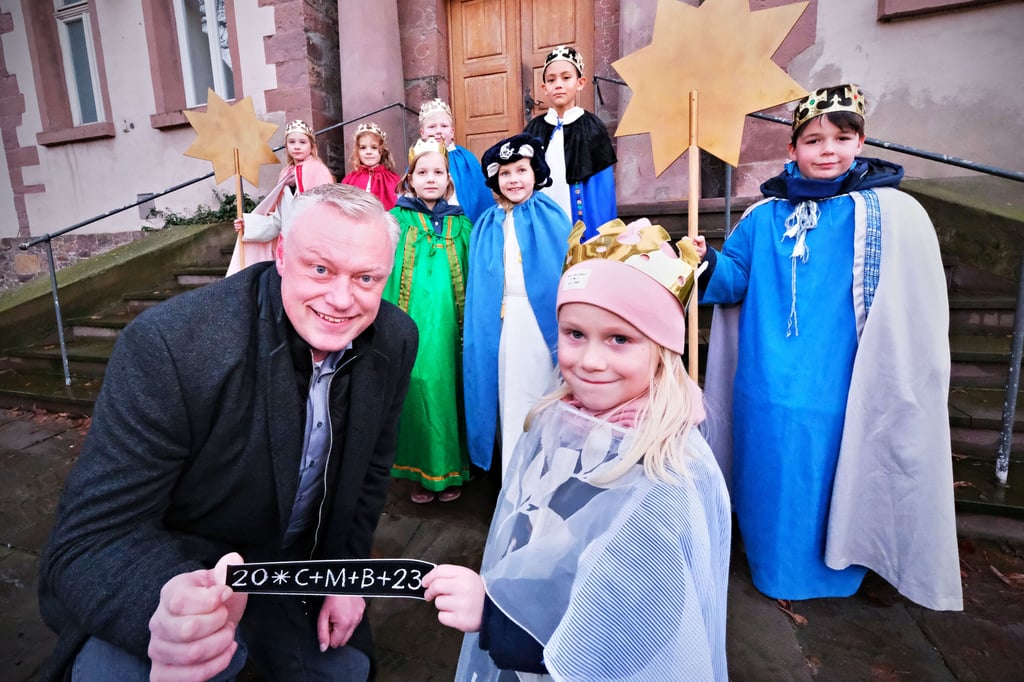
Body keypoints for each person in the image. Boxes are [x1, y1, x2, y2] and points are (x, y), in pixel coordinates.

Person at [38, 184, 419, 681]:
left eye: (366, 278)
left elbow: (371, 469)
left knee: (346, 671)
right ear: (281, 254)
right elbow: (91, 540)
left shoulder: (395, 336)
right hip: (182, 574)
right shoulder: (172, 344)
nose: (342, 299)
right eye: (320, 269)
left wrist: (345, 574)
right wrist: (166, 607)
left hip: (297, 577)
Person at [425, 218, 731, 681]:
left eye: (620, 339)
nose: (589, 361)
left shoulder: (667, 472)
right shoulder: (558, 416)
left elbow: (639, 632)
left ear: (663, 347)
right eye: (574, 334)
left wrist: (495, 619)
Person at [694, 84, 962, 610]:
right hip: (765, 380)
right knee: (771, 475)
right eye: (813, 139)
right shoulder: (763, 216)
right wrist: (704, 261)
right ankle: (772, 566)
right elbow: (735, 280)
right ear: (792, 148)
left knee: (833, 472)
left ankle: (841, 566)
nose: (828, 150)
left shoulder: (888, 214)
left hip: (840, 378)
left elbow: (909, 303)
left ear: (860, 142)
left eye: (842, 138)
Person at [463, 133, 572, 478]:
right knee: (510, 393)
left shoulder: (550, 215)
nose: (514, 180)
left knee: (545, 388)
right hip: (503, 323)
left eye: (521, 170)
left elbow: (564, 266)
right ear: (495, 179)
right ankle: (514, 471)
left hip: (542, 324)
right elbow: (480, 284)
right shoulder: (485, 224)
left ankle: (550, 469)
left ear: (535, 172)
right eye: (505, 173)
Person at [383, 138, 472, 503]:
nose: (430, 178)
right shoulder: (395, 221)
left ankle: (452, 470)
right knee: (417, 387)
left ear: (449, 181)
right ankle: (421, 471)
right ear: (410, 180)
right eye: (423, 172)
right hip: (412, 324)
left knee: (451, 391)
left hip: (452, 328)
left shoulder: (462, 225)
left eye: (438, 172)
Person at [524, 45, 617, 237]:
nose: (558, 84)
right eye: (551, 80)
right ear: (544, 88)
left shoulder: (592, 126)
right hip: (544, 212)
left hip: (579, 213)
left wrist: (603, 231)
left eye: (566, 78)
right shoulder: (534, 129)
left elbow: (602, 188)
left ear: (580, 82)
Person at [227, 119, 335, 275]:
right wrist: (248, 225)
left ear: (311, 146)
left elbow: (326, 214)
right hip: (287, 251)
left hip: (312, 248)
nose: (296, 146)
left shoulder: (319, 172)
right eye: (292, 142)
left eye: (302, 142)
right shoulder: (285, 175)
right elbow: (278, 220)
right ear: (286, 146)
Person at [418, 97, 495, 222]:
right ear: (422, 133)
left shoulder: (465, 159)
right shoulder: (418, 160)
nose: (438, 131)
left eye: (444, 126)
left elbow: (479, 193)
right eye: (432, 127)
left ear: (452, 132)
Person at [341, 121, 400, 210]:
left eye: (374, 147)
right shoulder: (349, 180)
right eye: (363, 147)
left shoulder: (392, 180)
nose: (368, 152)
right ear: (358, 151)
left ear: (382, 151)